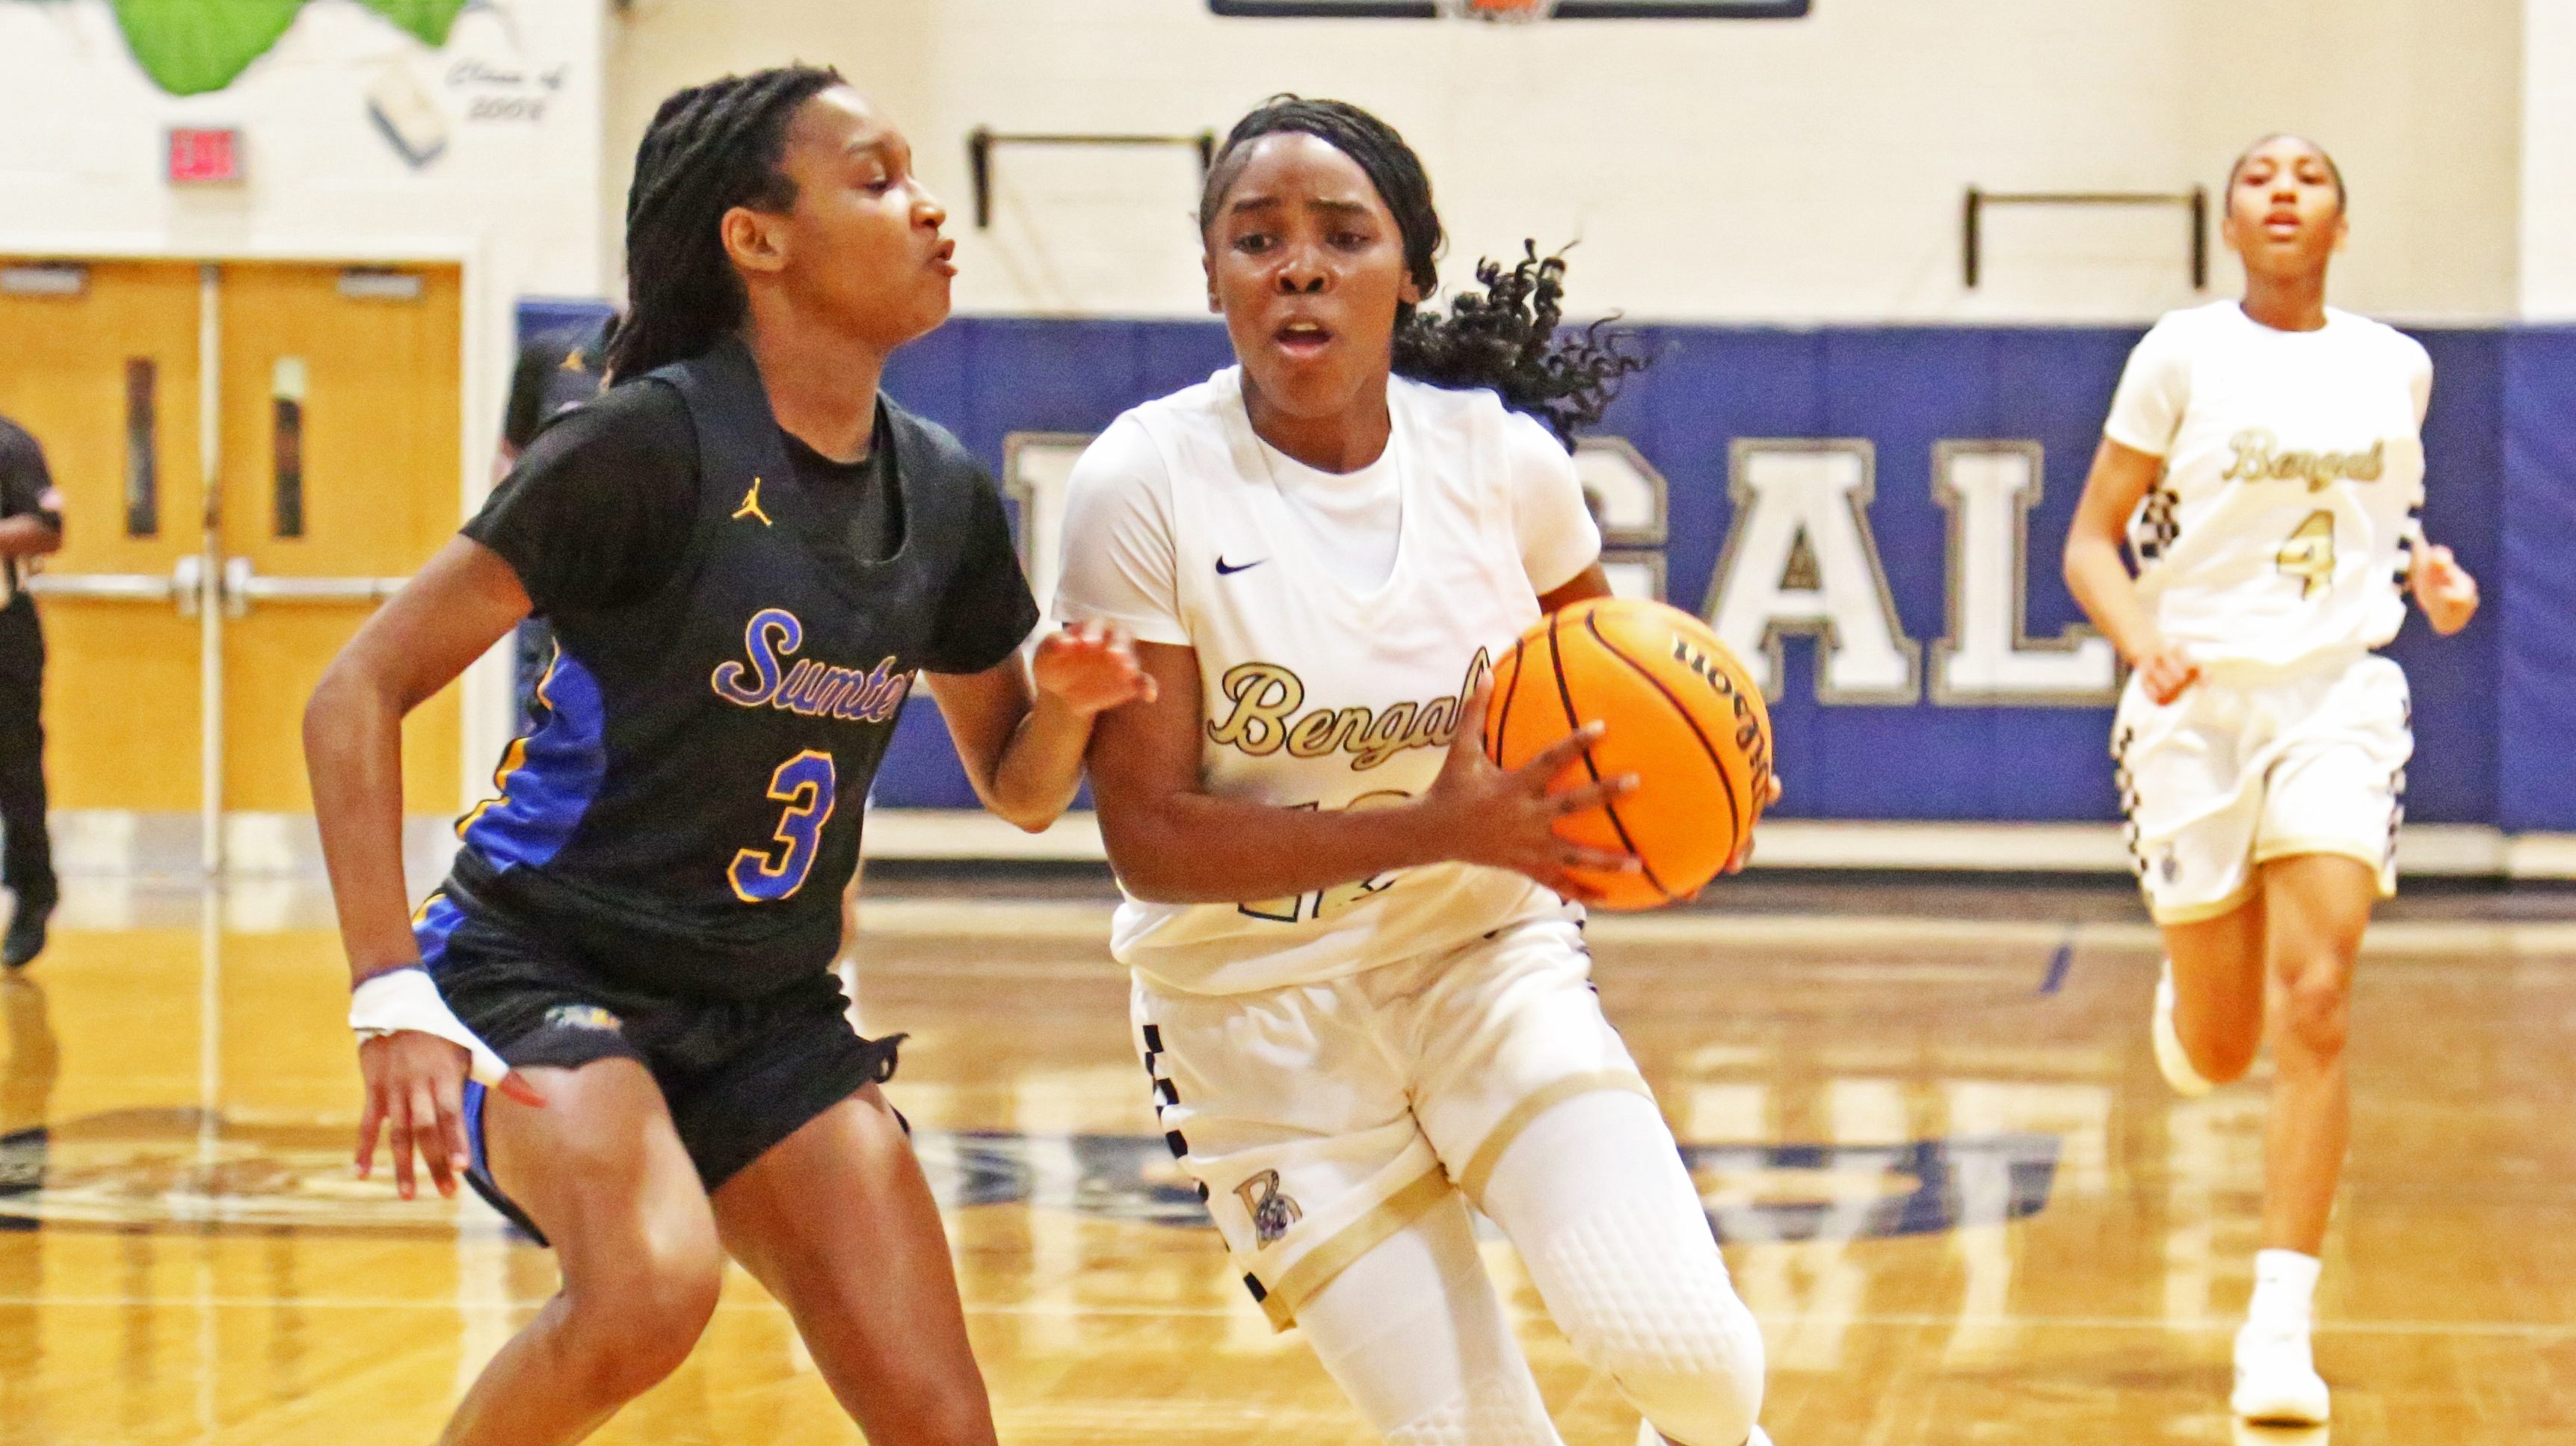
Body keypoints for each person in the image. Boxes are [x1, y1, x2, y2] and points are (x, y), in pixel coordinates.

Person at [303, 66, 1150, 1446]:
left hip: (765, 1005)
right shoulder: (644, 444)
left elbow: (1021, 789)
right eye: (875, 179)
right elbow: (354, 689)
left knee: (942, 1421)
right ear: (755, 238)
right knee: (648, 1288)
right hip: (542, 964)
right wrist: (387, 989)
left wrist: (1062, 704)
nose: (928, 207)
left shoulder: (940, 489)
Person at [1060, 97, 1775, 1446]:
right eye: (1256, 239)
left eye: (1343, 236)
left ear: (1409, 272)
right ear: (1212, 275)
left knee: (1692, 1362)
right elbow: (1150, 838)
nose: (1300, 267)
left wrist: (1711, 786)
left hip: (1482, 963)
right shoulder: (1141, 483)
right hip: (1251, 1023)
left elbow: (1617, 703)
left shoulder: (1503, 469)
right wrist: (1441, 824)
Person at [2062, 132, 2480, 1426]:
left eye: (2308, 176)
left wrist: (2429, 579)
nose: (2283, 188)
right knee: (2221, 1043)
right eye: (2258, 177)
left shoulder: (2395, 364)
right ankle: (2191, 1016)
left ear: (2340, 225)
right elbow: (2089, 543)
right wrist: (2143, 639)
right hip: (2194, 708)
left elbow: (2382, 522)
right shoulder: (2178, 354)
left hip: (2334, 699)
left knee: (2318, 1001)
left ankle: (2278, 1328)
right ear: (2230, 225)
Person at [0, 415, 61, 969]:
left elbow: (47, 528)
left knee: (15, 768)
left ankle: (32, 890)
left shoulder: (10, 444)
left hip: (4, 629)